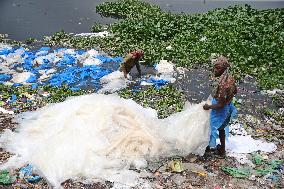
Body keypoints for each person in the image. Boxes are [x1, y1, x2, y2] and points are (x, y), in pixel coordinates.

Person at [203, 56, 237, 157]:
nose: (215, 70)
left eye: (218, 68)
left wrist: (208, 106)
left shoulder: (223, 84)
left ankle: (207, 149)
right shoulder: (230, 78)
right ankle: (222, 150)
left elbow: (220, 105)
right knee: (221, 128)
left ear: (224, 69)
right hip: (228, 107)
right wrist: (228, 98)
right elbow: (235, 91)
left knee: (211, 127)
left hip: (221, 110)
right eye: (215, 67)